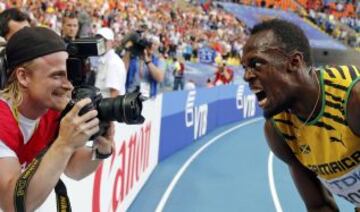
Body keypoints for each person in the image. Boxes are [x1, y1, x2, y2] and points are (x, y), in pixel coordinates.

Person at [242, 18, 360, 211]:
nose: (246, 76)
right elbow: (318, 205)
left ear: (294, 62)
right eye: (245, 68)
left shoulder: (353, 99)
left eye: (256, 63)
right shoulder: (278, 130)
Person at [0, 27, 114, 211]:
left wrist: (101, 149)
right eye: (57, 75)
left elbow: (75, 169)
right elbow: (12, 205)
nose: (68, 85)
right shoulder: (2, 120)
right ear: (23, 76)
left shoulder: (50, 110)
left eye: (69, 74)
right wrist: (64, 143)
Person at [125, 33, 165, 98]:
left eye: (155, 45)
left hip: (147, 96)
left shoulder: (159, 60)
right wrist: (128, 51)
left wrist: (147, 60)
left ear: (158, 47)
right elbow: (123, 72)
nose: (152, 47)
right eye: (150, 44)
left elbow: (159, 78)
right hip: (130, 94)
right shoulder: (134, 57)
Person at [93, 27, 126, 97]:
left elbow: (114, 95)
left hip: (107, 106)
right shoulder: (105, 59)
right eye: (97, 40)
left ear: (112, 42)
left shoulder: (113, 62)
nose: (100, 43)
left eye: (104, 40)